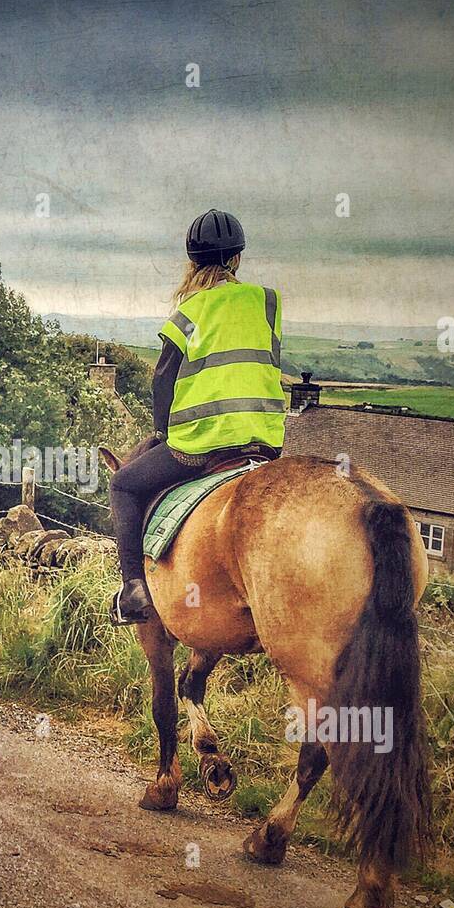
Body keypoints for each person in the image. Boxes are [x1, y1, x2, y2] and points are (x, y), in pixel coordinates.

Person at [108, 209, 286, 624]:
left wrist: (161, 433)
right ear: (237, 260)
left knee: (124, 485)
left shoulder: (190, 312)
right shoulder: (267, 304)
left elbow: (162, 381)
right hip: (265, 441)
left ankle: (133, 590)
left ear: (192, 263)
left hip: (203, 445)